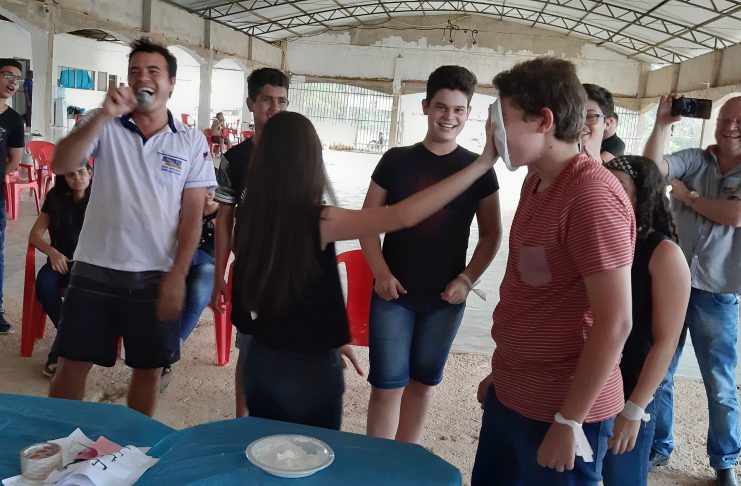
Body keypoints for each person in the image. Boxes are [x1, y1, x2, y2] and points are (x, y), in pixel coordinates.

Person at [231, 110, 498, 430]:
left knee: (265, 444)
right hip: (309, 371)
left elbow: (276, 295)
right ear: (310, 163)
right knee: (314, 450)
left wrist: (332, 336)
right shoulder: (320, 221)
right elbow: (404, 215)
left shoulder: (247, 221)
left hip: (259, 363)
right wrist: (481, 164)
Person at [471, 57, 635, 485]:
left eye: (502, 121)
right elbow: (536, 294)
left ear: (544, 121)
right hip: (514, 394)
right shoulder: (536, 181)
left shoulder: (592, 197)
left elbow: (615, 322)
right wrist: (504, 374)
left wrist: (569, 421)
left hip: (560, 409)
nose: (493, 134)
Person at [48, 39, 217, 417]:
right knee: (72, 363)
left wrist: (178, 275)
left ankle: (134, 445)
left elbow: (193, 216)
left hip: (155, 274)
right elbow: (61, 163)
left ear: (171, 83)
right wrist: (103, 115)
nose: (143, 78)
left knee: (147, 369)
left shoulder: (190, 141)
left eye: (153, 71)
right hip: (95, 267)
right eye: (135, 71)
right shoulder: (103, 123)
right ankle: (58, 441)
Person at [362, 65, 502, 444]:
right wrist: (380, 272)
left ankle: (405, 459)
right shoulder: (396, 160)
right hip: (394, 294)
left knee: (422, 384)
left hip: (445, 300)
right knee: (386, 385)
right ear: (426, 106)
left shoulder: (479, 170)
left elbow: (491, 234)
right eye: (441, 107)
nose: (449, 117)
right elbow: (367, 222)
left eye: (458, 109)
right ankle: (375, 461)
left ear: (469, 113)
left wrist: (467, 279)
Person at [644, 95, 741, 486]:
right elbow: (652, 169)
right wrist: (662, 124)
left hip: (717, 292)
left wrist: (687, 197)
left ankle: (724, 460)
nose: (729, 127)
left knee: (719, 384)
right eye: (725, 119)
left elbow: (735, 214)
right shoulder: (695, 159)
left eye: (739, 122)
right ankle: (659, 445)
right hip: (672, 285)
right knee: (660, 370)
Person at [599, 155, 690, 486]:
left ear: (644, 194)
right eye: (604, 184)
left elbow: (667, 341)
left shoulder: (663, 253)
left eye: (619, 186)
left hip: (631, 388)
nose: (608, 192)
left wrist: (635, 409)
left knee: (620, 477)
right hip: (590, 381)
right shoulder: (597, 239)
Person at [211, 67, 290, 417]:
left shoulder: (300, 154)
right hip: (251, 271)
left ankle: (277, 421)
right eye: (267, 100)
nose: (275, 108)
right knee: (250, 348)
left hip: (291, 271)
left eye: (282, 101)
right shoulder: (235, 160)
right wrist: (220, 274)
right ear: (251, 104)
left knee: (288, 350)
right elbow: (224, 219)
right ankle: (242, 421)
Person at [29, 164, 93, 378]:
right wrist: (53, 252)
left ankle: (60, 350)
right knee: (44, 285)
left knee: (81, 293)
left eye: (81, 172)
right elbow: (35, 235)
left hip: (89, 264)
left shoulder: (100, 198)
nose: (77, 178)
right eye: (70, 174)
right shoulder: (55, 198)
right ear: (63, 178)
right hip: (60, 261)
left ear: (90, 173)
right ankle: (73, 337)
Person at [0, 58, 25, 335]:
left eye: (17, 79)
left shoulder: (14, 120)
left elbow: (14, 160)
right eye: (8, 75)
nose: (13, 82)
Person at [582, 83, 624, 161]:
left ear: (608, 123)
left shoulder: (617, 144)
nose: (579, 124)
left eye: (590, 116)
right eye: (573, 117)